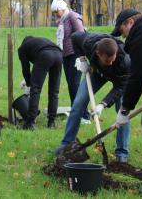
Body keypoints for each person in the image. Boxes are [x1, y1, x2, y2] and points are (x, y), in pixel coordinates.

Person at [54, 31, 131, 163]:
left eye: (113, 58)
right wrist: (81, 58)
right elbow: (75, 36)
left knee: (123, 111)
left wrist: (103, 104)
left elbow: (121, 87)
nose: (111, 62)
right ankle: (66, 145)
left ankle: (121, 152)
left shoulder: (125, 61)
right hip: (96, 73)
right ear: (97, 53)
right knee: (78, 104)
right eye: (107, 60)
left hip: (119, 79)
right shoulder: (89, 43)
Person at [111, 9, 142, 196]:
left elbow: (137, 79)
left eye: (122, 31)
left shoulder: (140, 37)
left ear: (130, 22)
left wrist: (124, 109)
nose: (124, 36)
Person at [51, 0, 91, 124]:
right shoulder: (62, 20)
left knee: (75, 85)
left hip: (75, 55)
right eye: (54, 12)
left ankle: (84, 116)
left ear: (62, 8)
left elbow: (81, 35)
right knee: (71, 86)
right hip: (65, 56)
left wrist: (81, 57)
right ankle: (76, 114)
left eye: (56, 11)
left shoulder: (73, 16)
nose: (55, 14)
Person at [17, 36, 63, 130]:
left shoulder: (22, 48)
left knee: (36, 90)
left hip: (45, 55)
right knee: (54, 91)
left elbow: (25, 68)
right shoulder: (39, 42)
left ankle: (30, 122)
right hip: (59, 55)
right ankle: (51, 122)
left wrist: (29, 82)